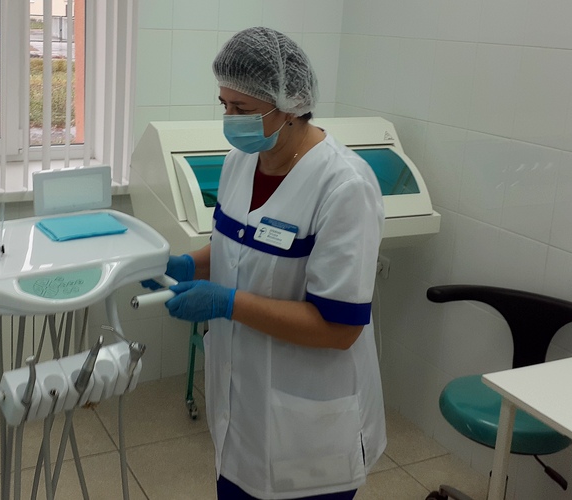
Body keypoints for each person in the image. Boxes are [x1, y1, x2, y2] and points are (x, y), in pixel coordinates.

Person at [154, 27, 387, 500]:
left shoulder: (344, 187)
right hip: (239, 414)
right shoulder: (240, 162)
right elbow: (234, 249)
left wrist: (228, 304)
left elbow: (339, 328)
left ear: (290, 105)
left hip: (308, 430)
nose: (229, 120)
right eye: (224, 105)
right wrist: (186, 265)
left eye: (242, 109)